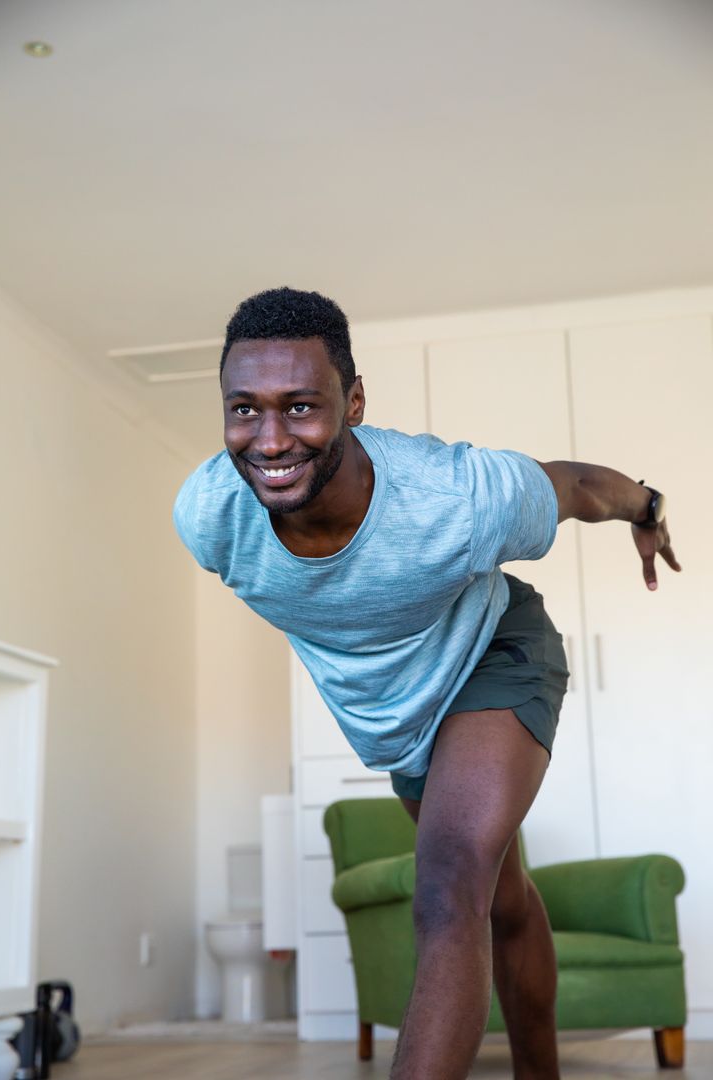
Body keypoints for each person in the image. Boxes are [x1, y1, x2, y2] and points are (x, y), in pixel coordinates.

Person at [174, 286, 680, 1080]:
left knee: (448, 892)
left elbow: (576, 484)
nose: (270, 440)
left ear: (355, 402)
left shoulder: (455, 496)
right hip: (397, 717)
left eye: (302, 406)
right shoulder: (209, 517)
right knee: (499, 898)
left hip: (492, 651)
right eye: (245, 410)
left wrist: (646, 505)